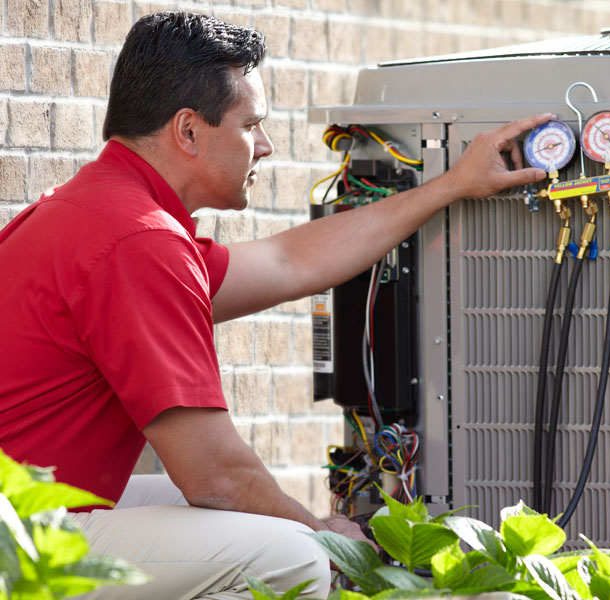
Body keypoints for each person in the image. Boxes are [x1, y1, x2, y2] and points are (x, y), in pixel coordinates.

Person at [0, 10, 552, 600]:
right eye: (251, 125)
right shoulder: (138, 244)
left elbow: (292, 262)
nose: (264, 147)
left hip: (31, 506)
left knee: (250, 524)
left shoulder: (104, 212)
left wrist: (451, 184)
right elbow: (213, 473)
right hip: (17, 533)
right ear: (188, 131)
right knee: (292, 558)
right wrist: (324, 534)